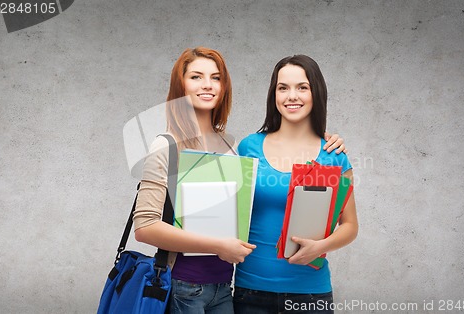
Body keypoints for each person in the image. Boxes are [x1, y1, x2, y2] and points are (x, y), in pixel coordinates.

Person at [132, 47, 348, 314]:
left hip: (224, 288)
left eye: (216, 77)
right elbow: (144, 227)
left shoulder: (232, 146)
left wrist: (318, 138)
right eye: (196, 77)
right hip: (183, 285)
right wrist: (218, 246)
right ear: (180, 85)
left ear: (224, 87)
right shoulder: (166, 145)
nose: (207, 85)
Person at [233, 55, 358, 314]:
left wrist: (321, 246)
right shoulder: (248, 147)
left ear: (316, 93)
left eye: (302, 87)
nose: (292, 96)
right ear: (273, 95)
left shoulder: (334, 155)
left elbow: (350, 226)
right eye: (283, 88)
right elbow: (232, 214)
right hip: (250, 291)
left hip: (310, 293)